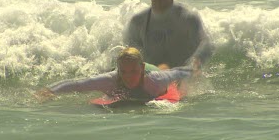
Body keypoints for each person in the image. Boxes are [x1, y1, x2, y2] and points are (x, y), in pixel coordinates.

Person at [124, 0, 213, 71]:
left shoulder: (188, 18)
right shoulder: (138, 22)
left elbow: (207, 44)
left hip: (181, 78)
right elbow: (131, 55)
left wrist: (195, 62)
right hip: (152, 79)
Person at [34, 47, 193, 103]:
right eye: (123, 71)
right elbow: (78, 84)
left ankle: (161, 65)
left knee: (165, 70)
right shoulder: (111, 80)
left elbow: (180, 72)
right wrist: (50, 90)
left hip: (156, 71)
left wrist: (192, 72)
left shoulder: (156, 81)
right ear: (118, 70)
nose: (128, 77)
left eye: (133, 72)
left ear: (142, 68)